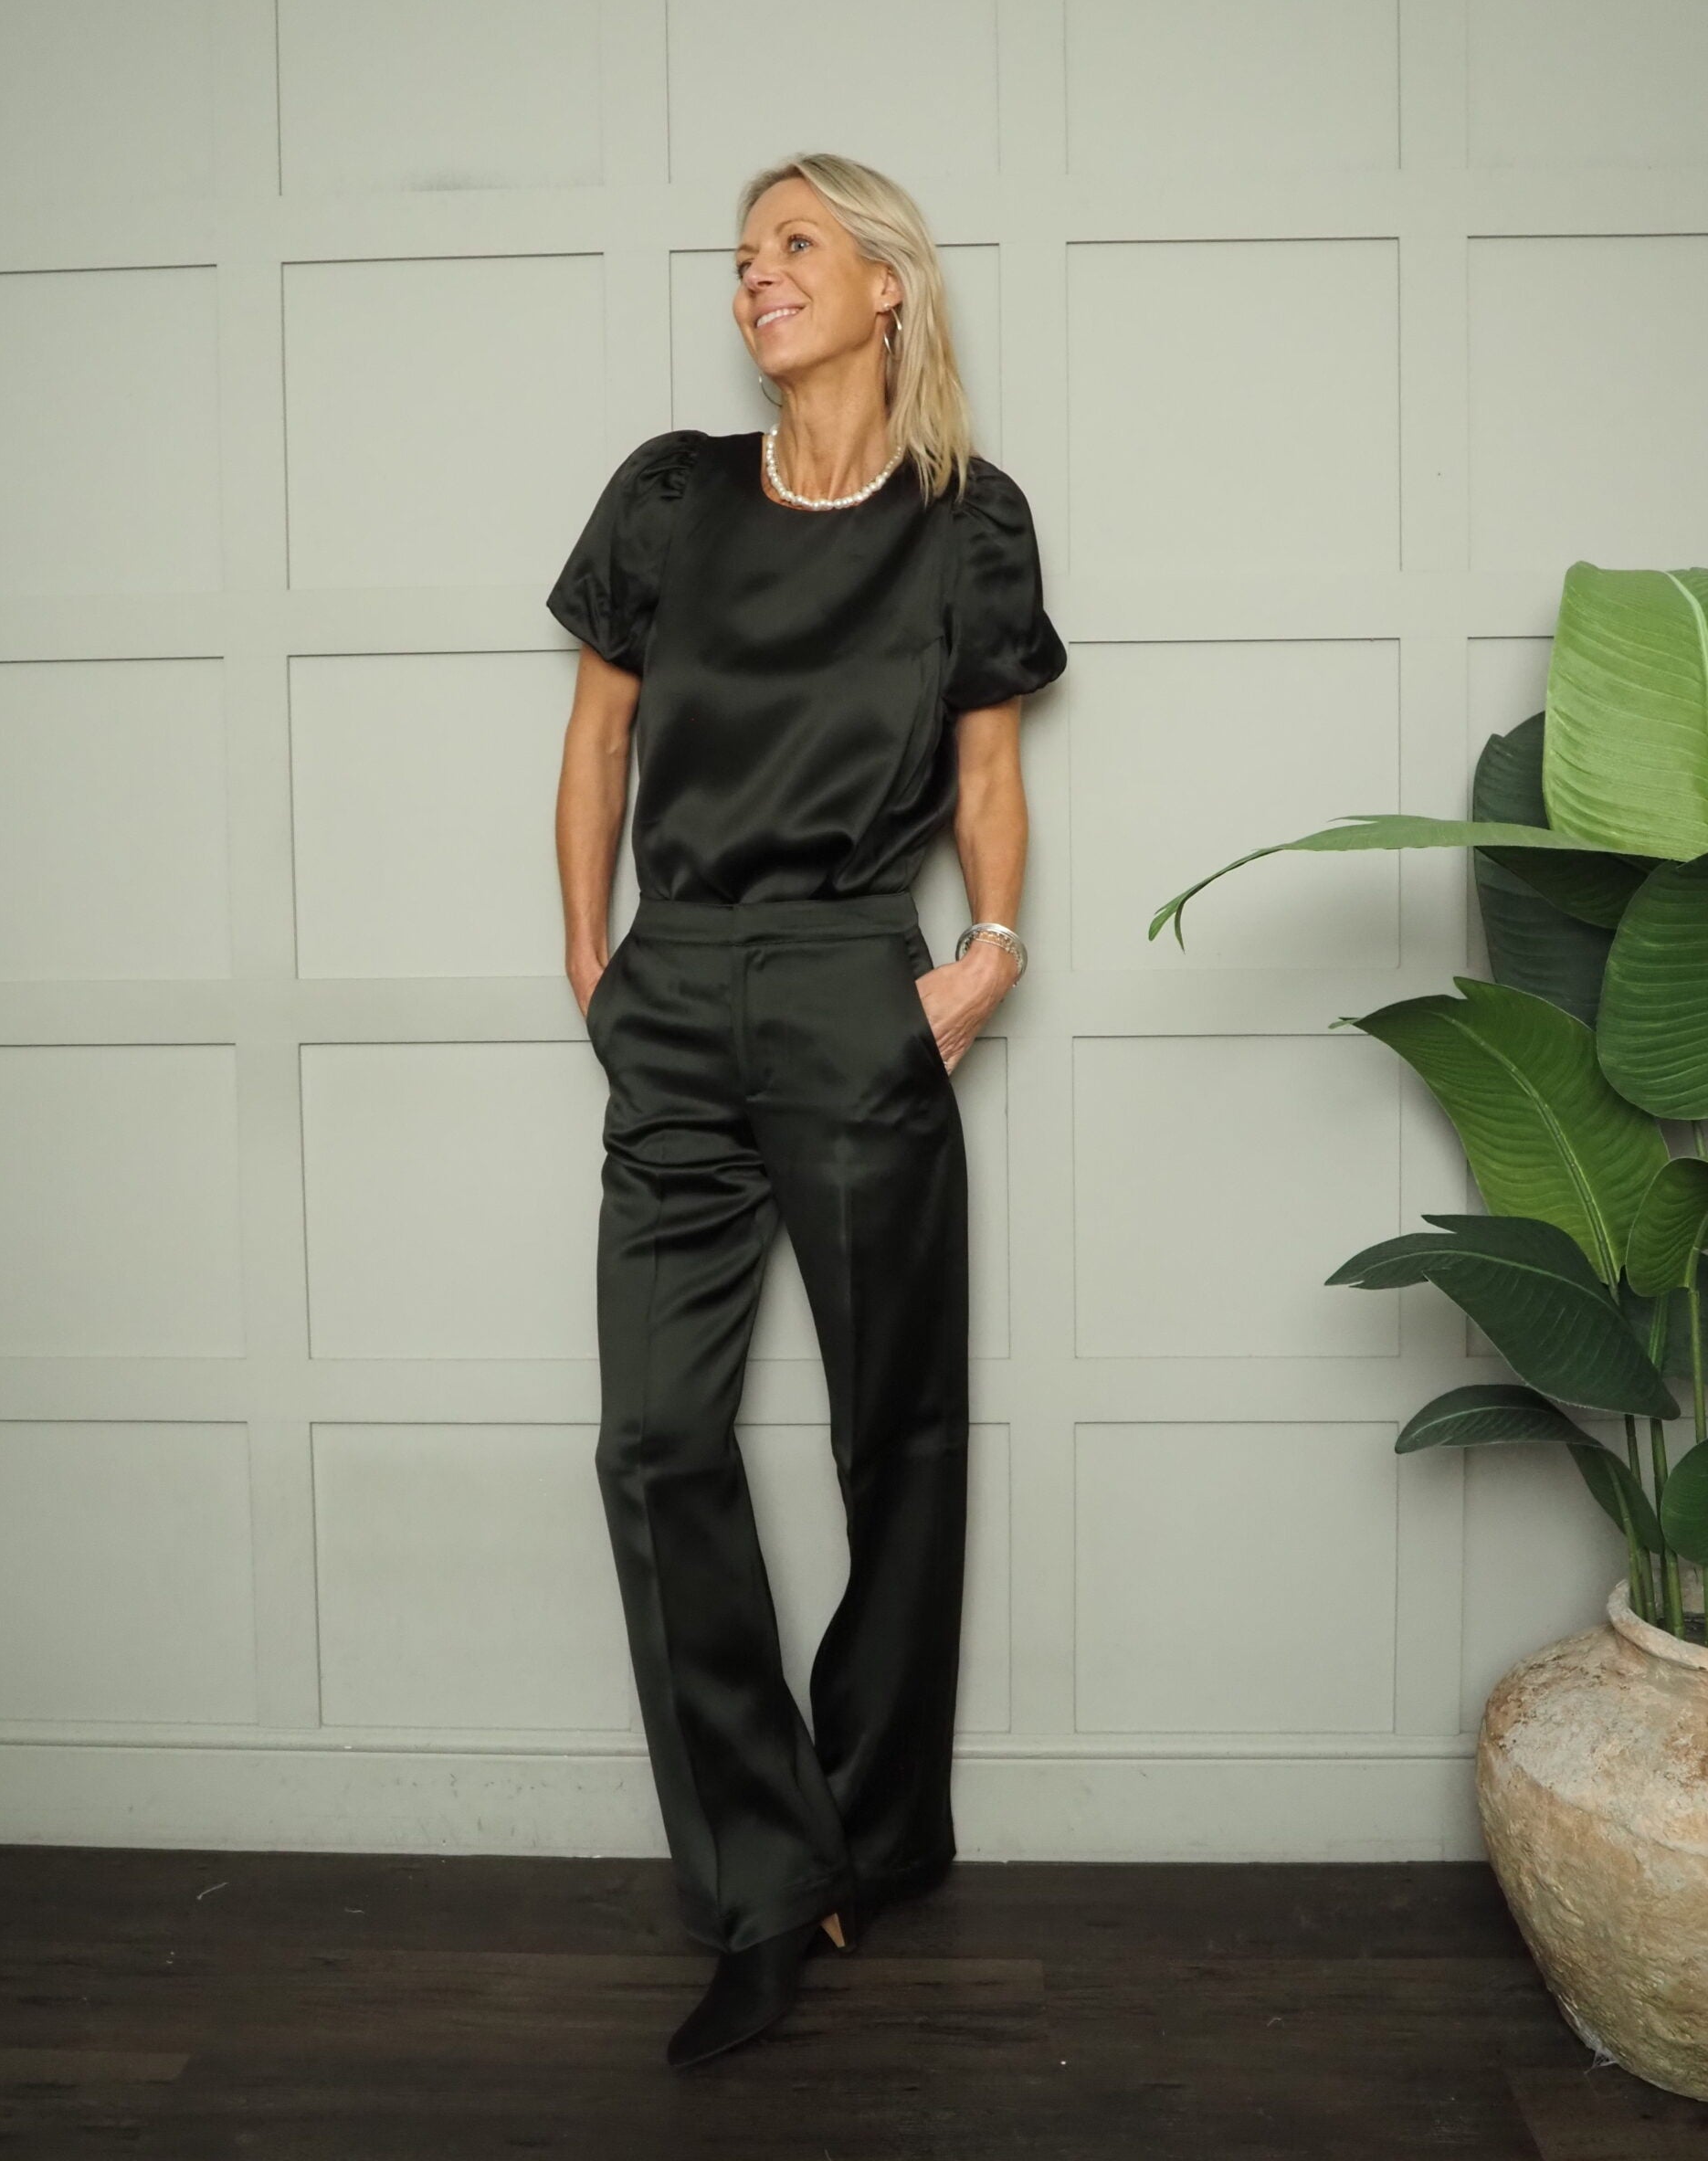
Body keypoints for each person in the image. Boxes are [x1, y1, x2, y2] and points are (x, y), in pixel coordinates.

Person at [547, 153, 1067, 2070]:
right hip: (678, 981)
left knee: (895, 1433)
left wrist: (986, 952)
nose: (755, 276)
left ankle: (877, 1834)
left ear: (887, 285)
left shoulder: (966, 518)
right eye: (743, 254)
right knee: (655, 1435)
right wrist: (596, 967)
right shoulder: (670, 496)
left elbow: (988, 769)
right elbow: (598, 737)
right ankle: (767, 1882)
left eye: (795, 245)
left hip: (864, 978)